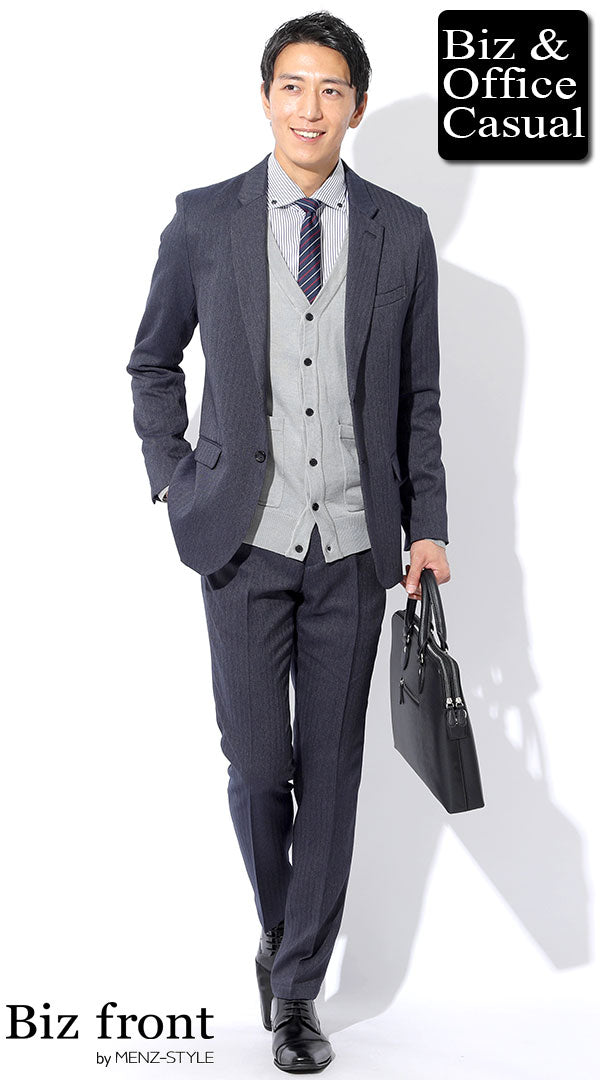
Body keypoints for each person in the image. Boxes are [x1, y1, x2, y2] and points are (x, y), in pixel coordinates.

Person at [127, 10, 450, 1073]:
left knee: (334, 770)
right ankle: (282, 931)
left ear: (356, 106)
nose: (311, 108)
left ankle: (298, 989)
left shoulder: (402, 231)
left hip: (355, 545)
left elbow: (419, 399)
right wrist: (176, 479)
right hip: (241, 541)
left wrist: (429, 527)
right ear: (266, 98)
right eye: (293, 87)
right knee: (259, 766)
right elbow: (152, 362)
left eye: (331, 89)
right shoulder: (203, 222)